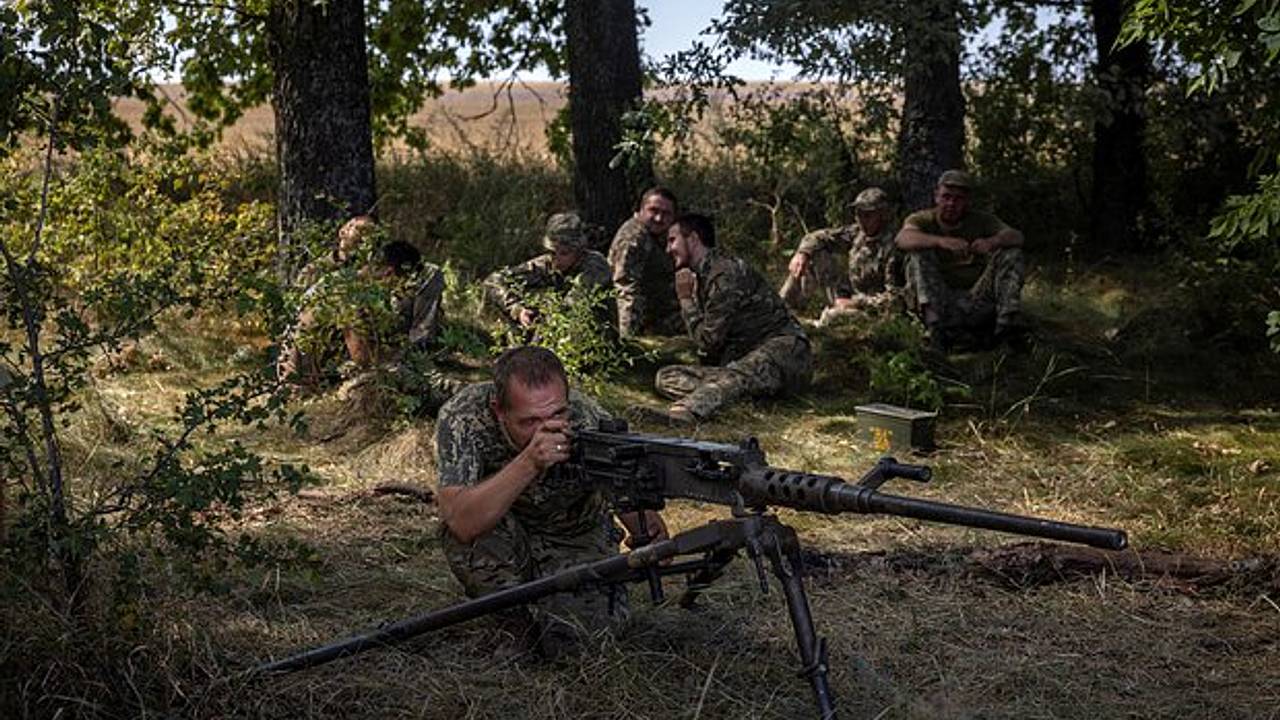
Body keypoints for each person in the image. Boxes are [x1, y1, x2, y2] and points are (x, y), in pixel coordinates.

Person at [434, 346, 668, 656]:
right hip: (506, 536)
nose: (548, 429)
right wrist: (529, 461)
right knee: (464, 536)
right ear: (498, 411)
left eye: (558, 414)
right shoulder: (463, 416)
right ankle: (513, 624)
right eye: (529, 421)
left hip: (576, 537)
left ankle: (559, 614)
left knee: (580, 647)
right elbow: (461, 522)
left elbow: (640, 516)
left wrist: (649, 532)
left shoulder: (589, 419)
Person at [652, 213, 813, 424]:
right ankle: (745, 399)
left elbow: (707, 343)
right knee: (666, 377)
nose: (668, 249)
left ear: (692, 239)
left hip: (784, 352)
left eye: (672, 240)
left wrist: (686, 301)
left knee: (736, 376)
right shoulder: (702, 277)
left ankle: (689, 410)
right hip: (743, 363)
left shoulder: (724, 273)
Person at [895, 170, 1027, 351]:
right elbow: (903, 238)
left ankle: (1007, 325)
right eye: (946, 197)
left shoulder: (981, 220)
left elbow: (1016, 236)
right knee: (918, 254)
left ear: (967, 201)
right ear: (936, 197)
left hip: (975, 298)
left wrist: (992, 242)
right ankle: (935, 330)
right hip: (940, 299)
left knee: (1011, 254)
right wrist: (940, 242)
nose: (951, 204)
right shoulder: (923, 219)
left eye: (958, 199)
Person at [779, 187, 905, 326]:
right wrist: (803, 254)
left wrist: (857, 303)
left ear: (883, 215)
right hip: (848, 295)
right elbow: (818, 237)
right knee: (808, 259)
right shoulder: (857, 233)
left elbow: (895, 300)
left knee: (834, 316)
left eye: (868, 215)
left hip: (873, 311)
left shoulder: (895, 246)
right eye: (858, 214)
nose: (861, 220)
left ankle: (813, 327)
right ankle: (777, 310)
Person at [484, 212, 613, 332]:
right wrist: (518, 310)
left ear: (579, 250)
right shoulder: (546, 264)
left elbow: (571, 307)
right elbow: (494, 280)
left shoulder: (595, 266)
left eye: (564, 253)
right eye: (552, 252)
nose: (556, 259)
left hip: (597, 340)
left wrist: (542, 319)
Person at [607, 187, 684, 338]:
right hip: (644, 321)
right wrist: (626, 341)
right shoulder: (634, 238)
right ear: (641, 210)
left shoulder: (657, 234)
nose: (659, 218)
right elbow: (625, 289)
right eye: (653, 211)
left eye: (666, 213)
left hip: (660, 313)